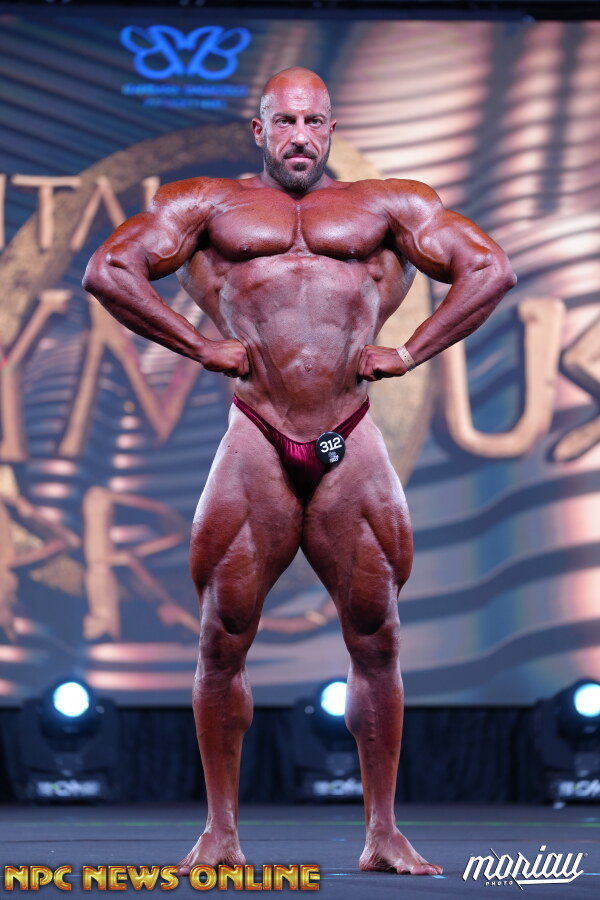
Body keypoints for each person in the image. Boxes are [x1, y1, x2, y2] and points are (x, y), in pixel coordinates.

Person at [83, 67, 516, 876]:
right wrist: (198, 344)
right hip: (257, 435)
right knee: (222, 637)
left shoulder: (390, 205)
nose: (300, 136)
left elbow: (489, 268)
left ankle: (383, 834)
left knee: (377, 638)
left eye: (314, 121)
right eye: (284, 121)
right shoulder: (206, 205)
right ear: (259, 130)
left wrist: (411, 350)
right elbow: (109, 269)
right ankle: (220, 833)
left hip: (348, 438)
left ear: (331, 128)